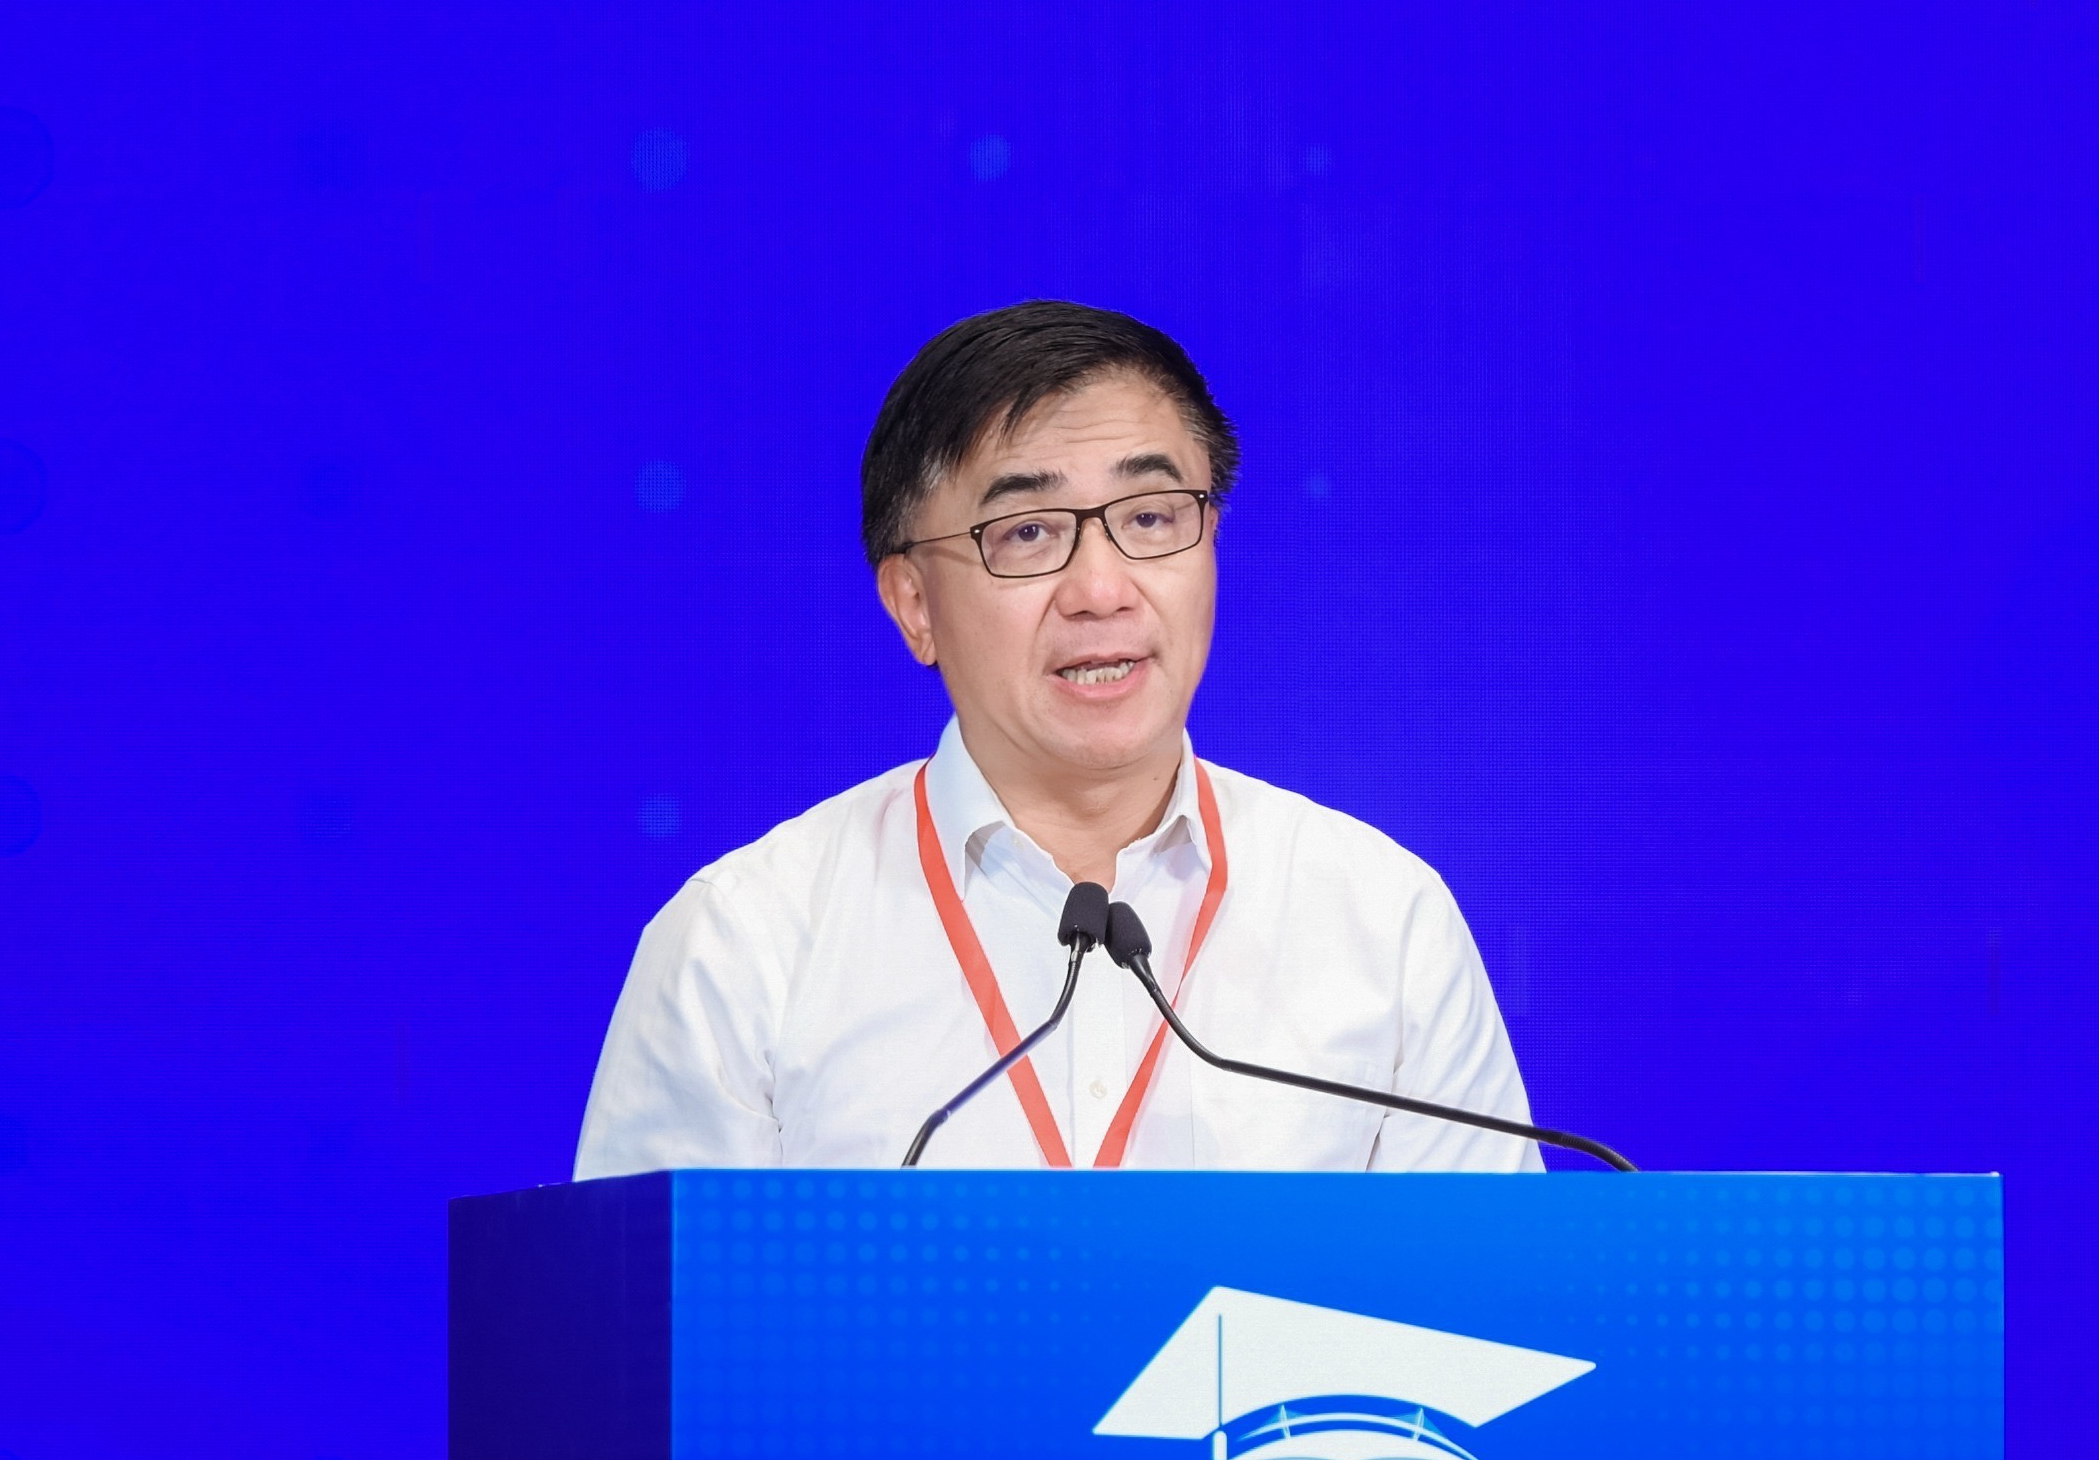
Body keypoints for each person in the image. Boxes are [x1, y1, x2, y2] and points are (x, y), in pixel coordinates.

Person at [575, 301, 1542, 1174]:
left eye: (1151, 517)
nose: (1102, 590)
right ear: (914, 602)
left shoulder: (1382, 922)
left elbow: (1483, 1302)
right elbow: (650, 1316)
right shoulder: (744, 947)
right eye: (1028, 532)